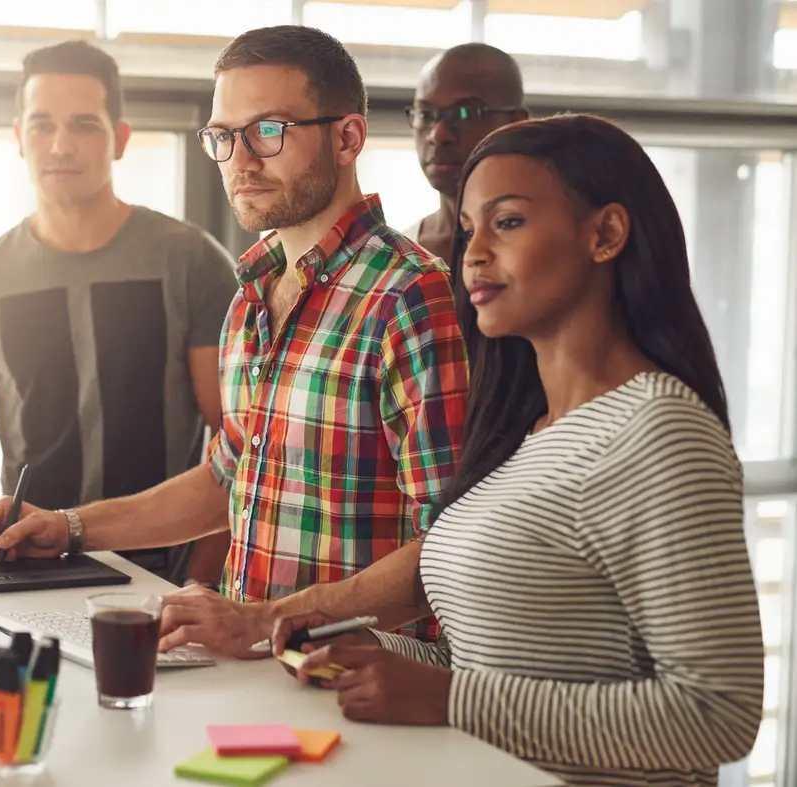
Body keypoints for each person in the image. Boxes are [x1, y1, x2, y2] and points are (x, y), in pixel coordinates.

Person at [258, 115, 762, 786]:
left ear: (605, 233)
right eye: (469, 228)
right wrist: (372, 648)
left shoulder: (659, 433)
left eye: (509, 222)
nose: (473, 253)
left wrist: (447, 699)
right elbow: (504, 673)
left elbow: (718, 713)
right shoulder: (530, 435)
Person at [0, 26, 468, 648]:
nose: (241, 159)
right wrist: (69, 527)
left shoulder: (410, 294)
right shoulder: (252, 295)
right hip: (255, 671)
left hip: (356, 681)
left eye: (269, 130)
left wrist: (266, 620)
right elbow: (225, 477)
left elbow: (451, 547)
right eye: (224, 136)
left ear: (347, 138)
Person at [0, 40, 237, 585]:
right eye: (42, 125)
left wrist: (199, 586)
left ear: (120, 140)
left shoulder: (191, 262)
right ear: (19, 138)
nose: (60, 144)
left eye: (84, 125)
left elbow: (238, 446)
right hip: (27, 563)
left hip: (161, 573)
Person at [404, 43, 527, 264]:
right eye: (425, 114)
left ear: (515, 124)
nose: (438, 135)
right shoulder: (398, 255)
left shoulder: (544, 246)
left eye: (466, 113)